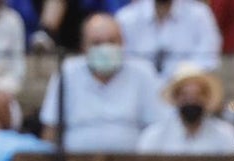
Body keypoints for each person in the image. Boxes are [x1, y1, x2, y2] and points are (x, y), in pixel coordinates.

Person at [38, 12, 164, 152]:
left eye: (111, 42)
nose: (105, 49)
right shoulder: (68, 72)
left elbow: (157, 128)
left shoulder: (143, 72)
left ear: (123, 43)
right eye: (97, 43)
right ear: (83, 47)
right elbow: (51, 129)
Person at [137, 61, 234, 154]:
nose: (191, 100)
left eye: (198, 95)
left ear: (207, 98)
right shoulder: (153, 138)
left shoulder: (226, 136)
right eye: (185, 95)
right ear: (176, 98)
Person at [114, 0, 221, 82]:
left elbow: (208, 58)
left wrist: (182, 75)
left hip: (184, 89)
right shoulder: (127, 18)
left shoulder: (199, 15)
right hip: (139, 90)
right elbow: (121, 60)